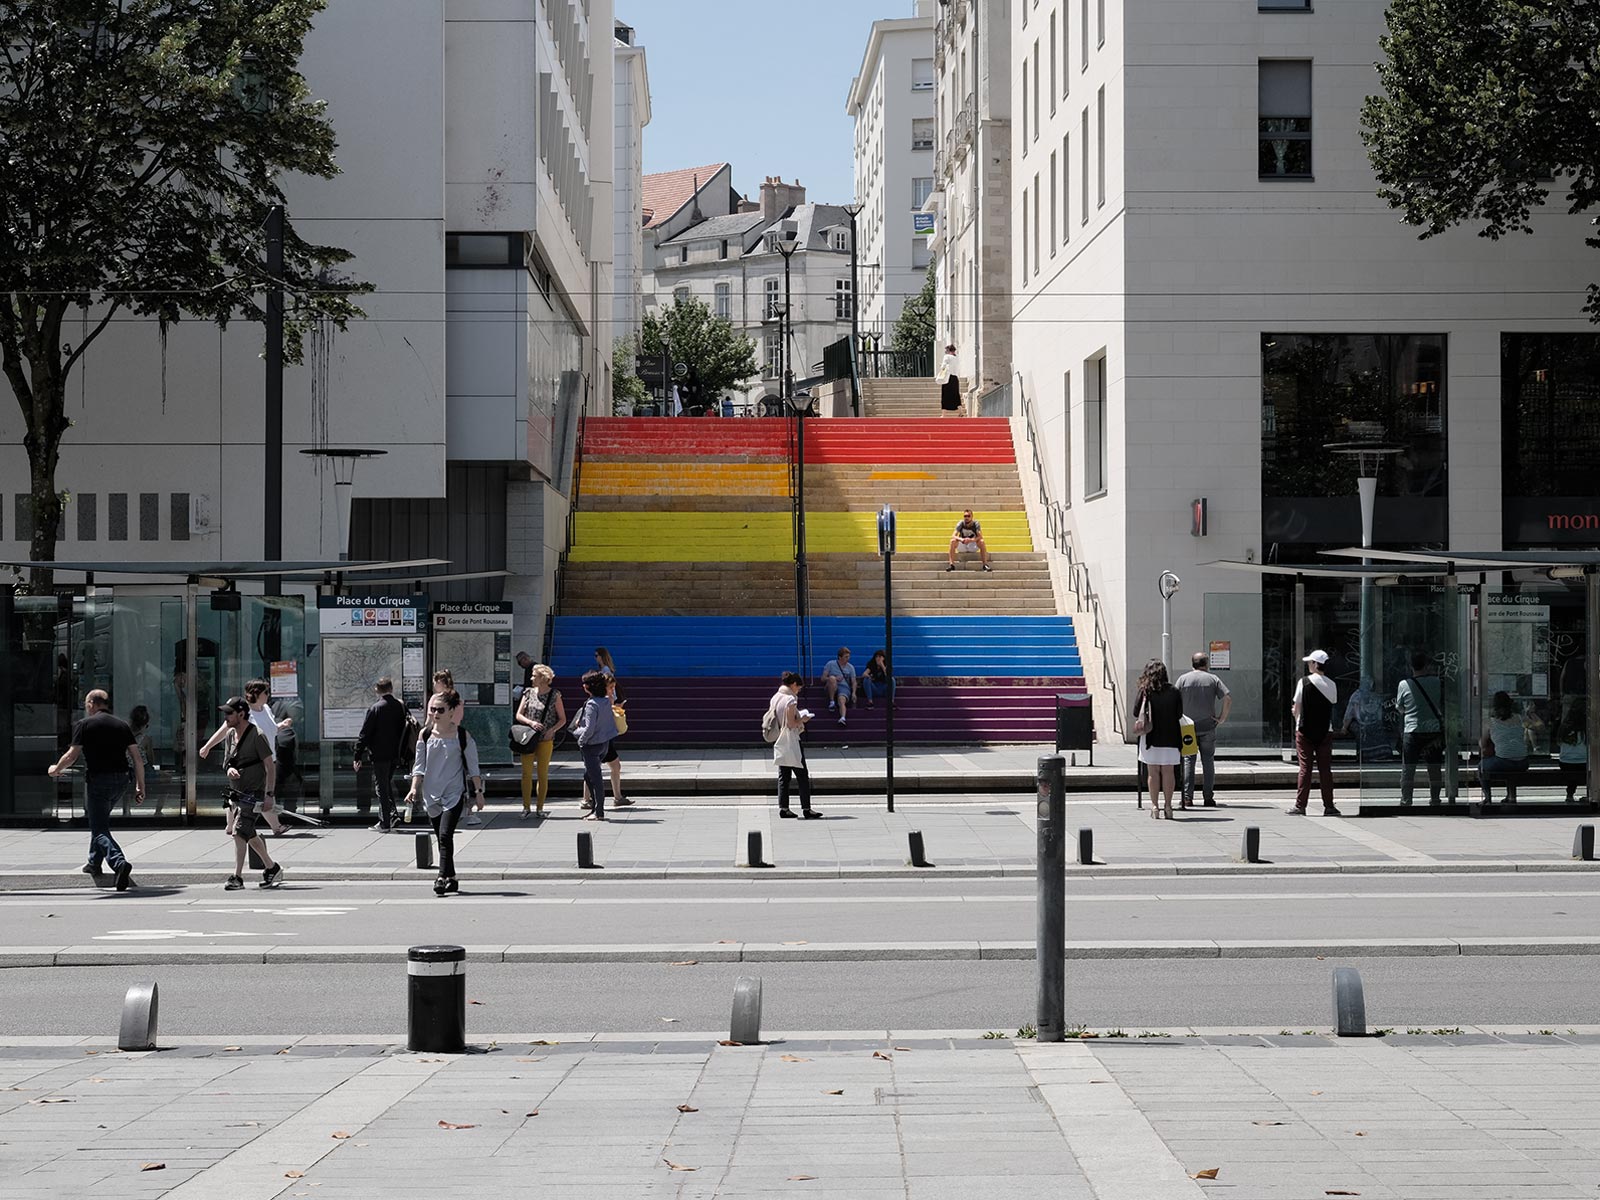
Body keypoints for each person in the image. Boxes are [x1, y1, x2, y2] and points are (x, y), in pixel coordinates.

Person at [47, 690, 145, 891]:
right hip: (121, 780)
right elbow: (136, 758)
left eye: (86, 704)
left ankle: (119, 863)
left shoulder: (84, 725)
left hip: (98, 780)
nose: (86, 707)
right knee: (99, 820)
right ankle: (94, 863)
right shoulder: (122, 725)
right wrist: (140, 785)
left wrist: (55, 769)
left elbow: (72, 755)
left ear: (92, 703)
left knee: (99, 827)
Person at [405, 688, 481, 895]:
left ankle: (440, 877)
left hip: (453, 792)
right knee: (441, 837)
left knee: (446, 834)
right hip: (431, 794)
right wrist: (414, 788)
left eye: (440, 709)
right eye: (432, 709)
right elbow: (419, 766)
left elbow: (473, 766)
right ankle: (452, 877)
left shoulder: (462, 735)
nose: (435, 713)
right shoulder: (425, 734)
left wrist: (479, 791)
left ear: (451, 712)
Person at [198, 679, 288, 835]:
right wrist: (208, 746)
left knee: (239, 794)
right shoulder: (245, 713)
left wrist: (281, 726)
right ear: (257, 694)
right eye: (265, 692)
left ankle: (230, 825)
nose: (268, 695)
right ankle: (276, 826)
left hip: (268, 757)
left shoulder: (266, 709)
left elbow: (270, 730)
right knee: (261, 794)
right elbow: (224, 730)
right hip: (251, 761)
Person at [217, 697, 284, 890]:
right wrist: (229, 769)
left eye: (229, 713)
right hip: (237, 794)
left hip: (254, 792)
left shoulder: (257, 735)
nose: (226, 717)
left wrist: (269, 795)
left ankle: (237, 877)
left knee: (238, 831)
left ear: (241, 714)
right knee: (249, 832)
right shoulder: (230, 734)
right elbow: (228, 761)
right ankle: (272, 867)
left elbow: (270, 767)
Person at [1288, 649, 1341, 816]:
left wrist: (1296, 717)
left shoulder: (1303, 682)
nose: (1309, 665)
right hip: (1325, 730)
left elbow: (1297, 707)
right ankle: (1329, 806)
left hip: (1304, 731)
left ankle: (1300, 805)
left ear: (1316, 664)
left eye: (1310, 662)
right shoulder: (1332, 685)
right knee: (1325, 769)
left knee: (1305, 768)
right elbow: (1332, 702)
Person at [1175, 652, 1232, 807]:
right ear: (1206, 663)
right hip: (1208, 726)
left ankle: (1187, 797)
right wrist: (1222, 717)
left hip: (1187, 728)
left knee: (1188, 761)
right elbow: (1227, 697)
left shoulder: (1183, 679)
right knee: (1208, 761)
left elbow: (1174, 698)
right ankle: (1208, 797)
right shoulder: (1213, 679)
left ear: (1192, 663)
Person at [355, 677, 409, 830]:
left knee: (382, 788)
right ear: (391, 688)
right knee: (385, 786)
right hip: (395, 754)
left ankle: (385, 822)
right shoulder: (400, 706)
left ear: (377, 690)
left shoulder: (375, 708)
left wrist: (357, 755)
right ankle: (391, 816)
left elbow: (365, 734)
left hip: (379, 755)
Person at [1132, 660, 1183, 819]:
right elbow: (1179, 714)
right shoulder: (1174, 691)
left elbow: (1136, 712)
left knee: (1152, 772)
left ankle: (1155, 807)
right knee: (1169, 771)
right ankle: (1168, 807)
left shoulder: (1145, 691)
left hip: (1150, 737)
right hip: (1171, 736)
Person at [767, 671, 821, 818]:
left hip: (780, 739)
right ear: (793, 684)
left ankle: (784, 808)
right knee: (802, 775)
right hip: (791, 740)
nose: (799, 690)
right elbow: (791, 723)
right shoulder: (790, 700)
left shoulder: (776, 697)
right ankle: (807, 809)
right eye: (798, 687)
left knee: (783, 776)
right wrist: (802, 719)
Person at [515, 664, 566, 818]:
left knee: (542, 774)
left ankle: (540, 807)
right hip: (528, 737)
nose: (531, 678)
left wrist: (552, 730)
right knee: (526, 773)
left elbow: (562, 719)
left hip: (545, 738)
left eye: (534, 676)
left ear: (543, 678)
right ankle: (526, 807)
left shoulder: (555, 695)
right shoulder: (528, 693)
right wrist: (530, 723)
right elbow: (519, 714)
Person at [1396, 652, 1445, 806]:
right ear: (1427, 665)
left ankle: (1406, 800)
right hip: (1433, 731)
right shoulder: (1437, 682)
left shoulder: (1404, 684)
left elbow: (1400, 707)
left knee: (1408, 768)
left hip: (1412, 730)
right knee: (1434, 767)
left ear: (1411, 666)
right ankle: (1435, 799)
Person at [570, 670, 620, 822]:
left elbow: (589, 728)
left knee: (596, 779)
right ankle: (594, 809)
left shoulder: (592, 704)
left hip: (591, 745)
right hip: (604, 743)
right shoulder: (605, 701)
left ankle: (598, 811)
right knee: (588, 775)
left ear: (587, 687)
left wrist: (580, 738)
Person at [584, 648, 630, 810]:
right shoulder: (599, 702)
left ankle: (608, 797)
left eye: (596, 655)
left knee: (599, 767)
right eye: (611, 688)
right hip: (602, 737)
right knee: (602, 767)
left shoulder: (600, 699)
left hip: (603, 736)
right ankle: (598, 801)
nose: (613, 691)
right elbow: (592, 723)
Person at [1479, 690, 1529, 805]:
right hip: (1523, 762)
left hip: (1503, 761)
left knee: (1481, 766)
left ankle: (1487, 798)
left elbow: (1482, 744)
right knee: (1511, 766)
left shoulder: (1489, 722)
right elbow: (1538, 726)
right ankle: (1511, 796)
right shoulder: (1520, 718)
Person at [1339, 678, 1392, 763]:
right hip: (1359, 722)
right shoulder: (1356, 696)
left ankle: (1379, 754)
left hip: (1370, 722)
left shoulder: (1373, 695)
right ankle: (1366, 755)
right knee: (1362, 731)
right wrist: (1344, 727)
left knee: (1377, 729)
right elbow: (1349, 715)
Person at [1558, 697, 1587, 803]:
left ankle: (1570, 794)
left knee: (1572, 771)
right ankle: (1590, 793)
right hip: (1584, 763)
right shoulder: (1587, 727)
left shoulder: (1564, 727)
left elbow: (1559, 743)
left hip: (1565, 762)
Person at [821, 647, 856, 725]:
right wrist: (835, 678)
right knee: (832, 678)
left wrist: (854, 693)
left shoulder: (850, 667)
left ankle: (842, 718)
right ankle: (832, 702)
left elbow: (854, 681)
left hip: (844, 687)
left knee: (841, 700)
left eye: (848, 657)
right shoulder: (831, 664)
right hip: (832, 685)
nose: (848, 659)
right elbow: (823, 678)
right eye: (846, 657)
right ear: (840, 657)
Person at [939, 343, 961, 416]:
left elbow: (943, 366)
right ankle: (960, 412)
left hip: (948, 378)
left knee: (945, 395)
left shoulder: (947, 357)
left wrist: (941, 366)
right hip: (955, 378)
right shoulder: (957, 358)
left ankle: (943, 414)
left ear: (948, 350)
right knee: (956, 395)